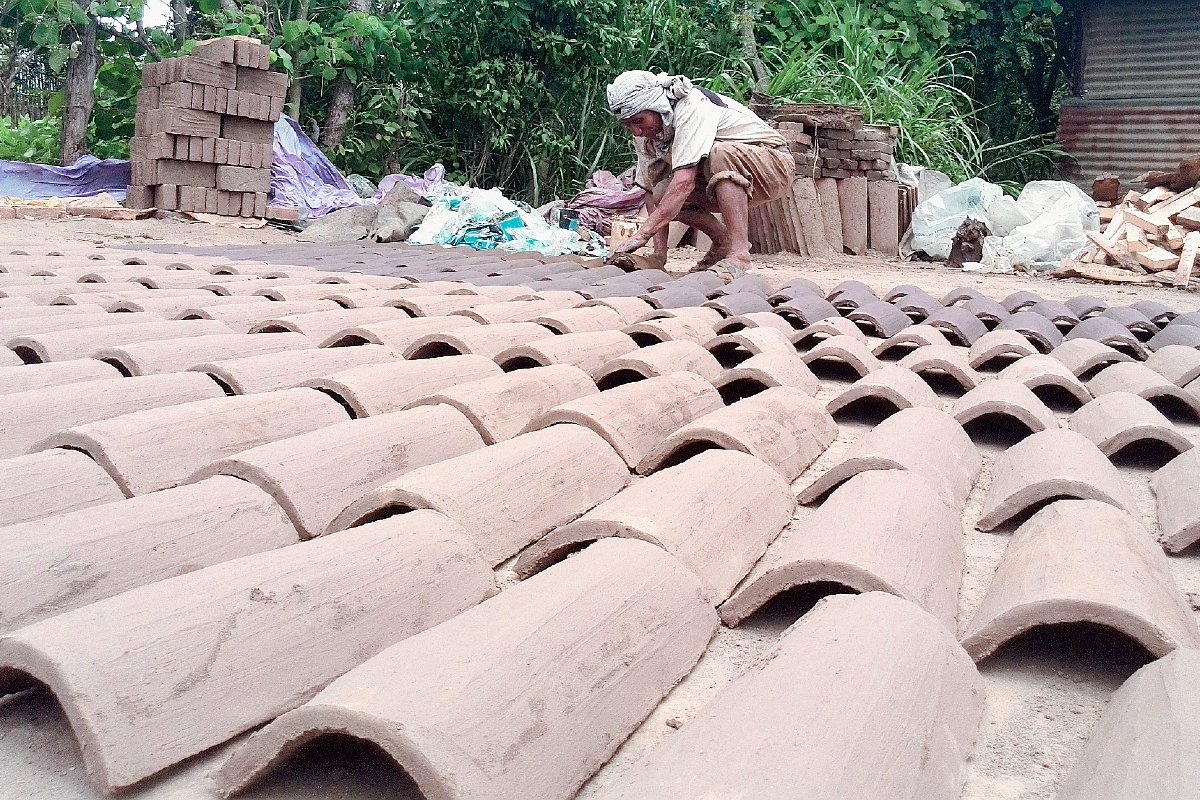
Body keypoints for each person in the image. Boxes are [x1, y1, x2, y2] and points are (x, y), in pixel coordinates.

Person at [604, 70, 793, 279]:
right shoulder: (648, 135)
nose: (636, 131)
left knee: (720, 154)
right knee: (661, 192)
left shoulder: (691, 105)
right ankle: (723, 241)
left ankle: (740, 257)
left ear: (655, 106)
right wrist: (658, 256)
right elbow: (651, 191)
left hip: (774, 165)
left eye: (639, 121)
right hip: (722, 177)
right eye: (628, 124)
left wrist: (642, 234)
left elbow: (684, 182)